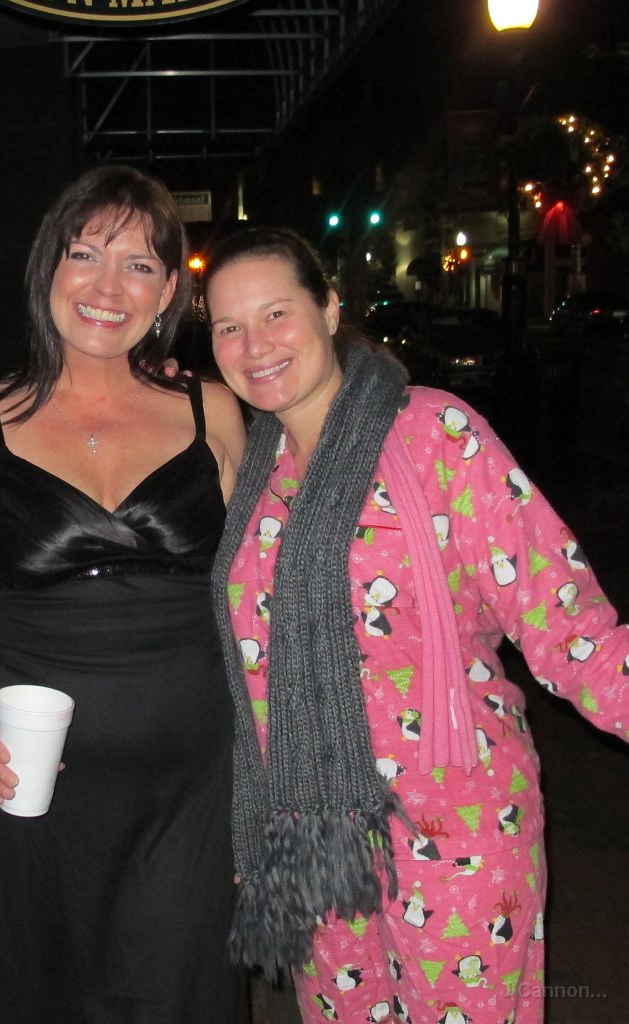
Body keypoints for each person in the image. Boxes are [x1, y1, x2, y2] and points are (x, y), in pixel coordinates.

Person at [202, 226, 629, 1024]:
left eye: (275, 313)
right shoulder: (256, 470)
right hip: (317, 843)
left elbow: (568, 627)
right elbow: (254, 676)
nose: (253, 345)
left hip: (456, 823)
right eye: (229, 326)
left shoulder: (435, 434)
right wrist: (254, 817)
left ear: (330, 309)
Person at [0, 164, 248, 1023]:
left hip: (191, 787)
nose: (108, 288)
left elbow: (263, 600)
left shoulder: (214, 411)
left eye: (139, 265)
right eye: (85, 254)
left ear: (167, 293)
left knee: (177, 998)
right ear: (48, 267)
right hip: (32, 786)